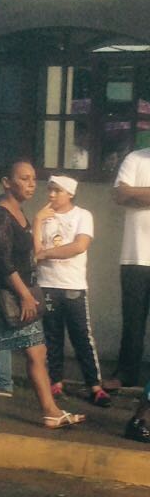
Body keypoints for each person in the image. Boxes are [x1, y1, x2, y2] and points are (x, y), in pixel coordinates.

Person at [0, 159, 86, 428]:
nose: (31, 184)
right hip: (1, 298)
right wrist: (26, 295)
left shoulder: (20, 213)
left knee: (37, 352)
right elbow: (3, 263)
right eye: (24, 178)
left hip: (20, 297)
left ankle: (50, 411)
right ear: (6, 182)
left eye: (33, 179)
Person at [33, 175, 110, 406]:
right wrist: (37, 221)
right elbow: (34, 249)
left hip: (73, 285)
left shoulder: (83, 215)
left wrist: (46, 254)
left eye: (57, 191)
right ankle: (55, 382)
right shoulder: (44, 216)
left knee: (81, 337)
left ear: (70, 194)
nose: (51, 195)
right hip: (47, 283)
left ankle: (95, 386)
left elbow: (79, 246)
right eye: (50, 190)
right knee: (51, 337)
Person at [104, 147, 150, 389]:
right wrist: (128, 193)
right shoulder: (135, 158)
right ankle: (126, 374)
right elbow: (120, 195)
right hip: (135, 256)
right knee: (132, 322)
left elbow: (128, 194)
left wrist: (136, 194)